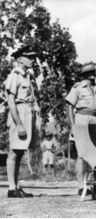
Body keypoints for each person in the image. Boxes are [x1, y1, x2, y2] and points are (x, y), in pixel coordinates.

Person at [5, 45, 38, 198]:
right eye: (29, 57)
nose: (32, 59)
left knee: (19, 151)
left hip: (27, 113)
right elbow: (11, 102)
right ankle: (11, 188)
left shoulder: (27, 76)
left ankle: (16, 185)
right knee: (13, 151)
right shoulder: (14, 76)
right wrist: (18, 124)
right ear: (19, 59)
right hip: (17, 113)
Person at [65, 62, 96, 196]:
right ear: (84, 75)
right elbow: (69, 106)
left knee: (92, 155)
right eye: (89, 73)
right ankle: (81, 186)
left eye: (93, 72)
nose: (92, 75)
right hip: (81, 120)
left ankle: (89, 184)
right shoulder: (78, 87)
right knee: (81, 155)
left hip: (95, 121)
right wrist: (73, 126)